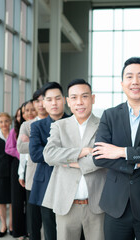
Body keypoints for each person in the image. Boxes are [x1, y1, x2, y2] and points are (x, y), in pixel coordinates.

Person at [92, 57, 140, 240]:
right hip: (116, 205)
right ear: (122, 83)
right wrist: (137, 163)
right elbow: (99, 157)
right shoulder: (110, 115)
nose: (135, 82)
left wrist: (120, 152)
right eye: (129, 76)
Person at [42, 79, 107, 240]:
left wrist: (67, 162)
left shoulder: (104, 125)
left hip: (97, 204)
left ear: (92, 98)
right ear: (68, 101)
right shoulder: (59, 126)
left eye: (84, 96)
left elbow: (102, 158)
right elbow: (49, 154)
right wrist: (82, 152)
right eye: (74, 97)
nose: (79, 102)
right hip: (66, 204)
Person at [28, 82, 69, 240]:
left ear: (64, 100)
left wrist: (51, 153)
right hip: (46, 183)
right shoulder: (37, 126)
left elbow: (81, 153)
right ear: (43, 103)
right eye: (49, 99)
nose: (54, 103)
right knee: (50, 230)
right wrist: (67, 154)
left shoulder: (73, 121)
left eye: (57, 98)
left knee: (70, 229)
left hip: (69, 182)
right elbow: (35, 155)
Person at [17, 89, 48, 240]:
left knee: (51, 221)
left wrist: (33, 142)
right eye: (37, 101)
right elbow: (20, 147)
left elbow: (64, 149)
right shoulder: (27, 125)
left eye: (44, 99)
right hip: (33, 178)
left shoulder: (59, 122)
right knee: (33, 221)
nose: (40, 104)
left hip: (55, 177)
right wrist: (48, 147)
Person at [6, 101, 35, 239]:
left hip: (31, 168)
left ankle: (30, 230)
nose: (27, 114)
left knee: (31, 203)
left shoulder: (35, 126)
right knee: (18, 202)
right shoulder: (16, 130)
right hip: (19, 167)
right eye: (23, 113)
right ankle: (19, 232)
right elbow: (11, 149)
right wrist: (21, 151)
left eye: (31, 110)